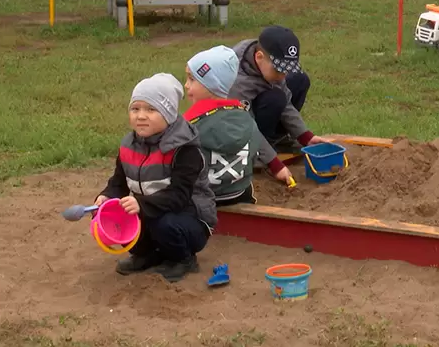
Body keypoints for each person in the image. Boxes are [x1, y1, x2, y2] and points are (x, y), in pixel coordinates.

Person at [95, 73, 217, 282]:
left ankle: (183, 259)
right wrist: (106, 197)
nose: (141, 116)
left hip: (189, 217)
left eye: (151, 109)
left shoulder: (185, 150)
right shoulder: (128, 146)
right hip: (150, 209)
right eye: (135, 109)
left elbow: (180, 196)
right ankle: (147, 255)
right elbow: (119, 183)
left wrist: (140, 204)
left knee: (164, 223)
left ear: (168, 114)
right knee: (121, 215)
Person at [229, 25, 327, 186]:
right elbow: (245, 126)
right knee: (274, 98)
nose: (283, 75)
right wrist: (273, 163)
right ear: (259, 57)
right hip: (238, 125)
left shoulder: (266, 61)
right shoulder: (237, 81)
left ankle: (278, 141)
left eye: (286, 69)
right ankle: (257, 154)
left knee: (299, 80)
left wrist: (306, 136)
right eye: (279, 70)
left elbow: (287, 104)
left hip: (258, 108)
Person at [183, 45, 262, 206]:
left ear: (211, 85)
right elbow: (254, 153)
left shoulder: (188, 126)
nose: (186, 85)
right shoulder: (247, 119)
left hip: (199, 200)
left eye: (192, 79)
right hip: (238, 194)